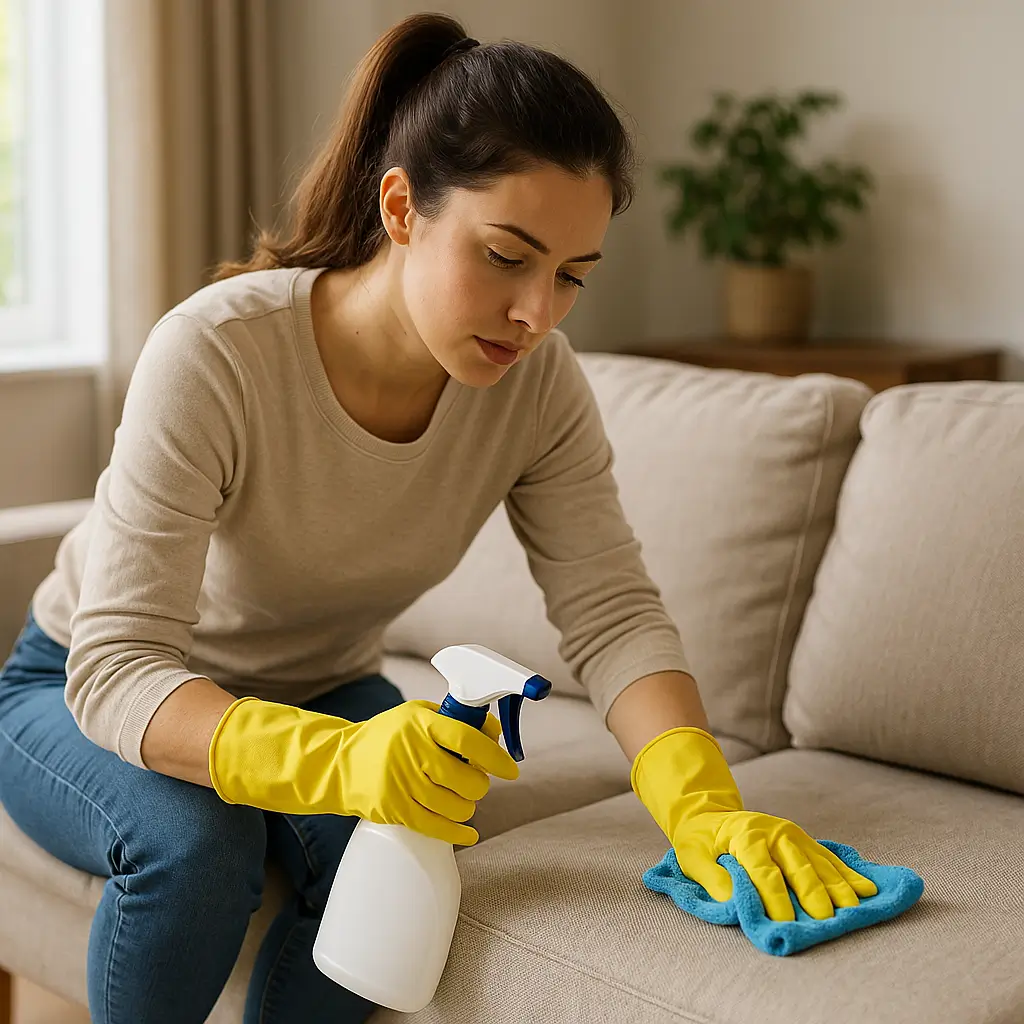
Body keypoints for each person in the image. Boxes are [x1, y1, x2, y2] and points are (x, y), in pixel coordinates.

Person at [0, 13, 878, 1024]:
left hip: (322, 681)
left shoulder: (536, 386)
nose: (537, 313)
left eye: (571, 277)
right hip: (74, 688)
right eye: (507, 255)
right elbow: (118, 666)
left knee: (413, 863)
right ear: (402, 207)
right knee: (201, 848)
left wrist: (701, 800)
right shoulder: (218, 353)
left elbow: (611, 608)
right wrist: (338, 761)